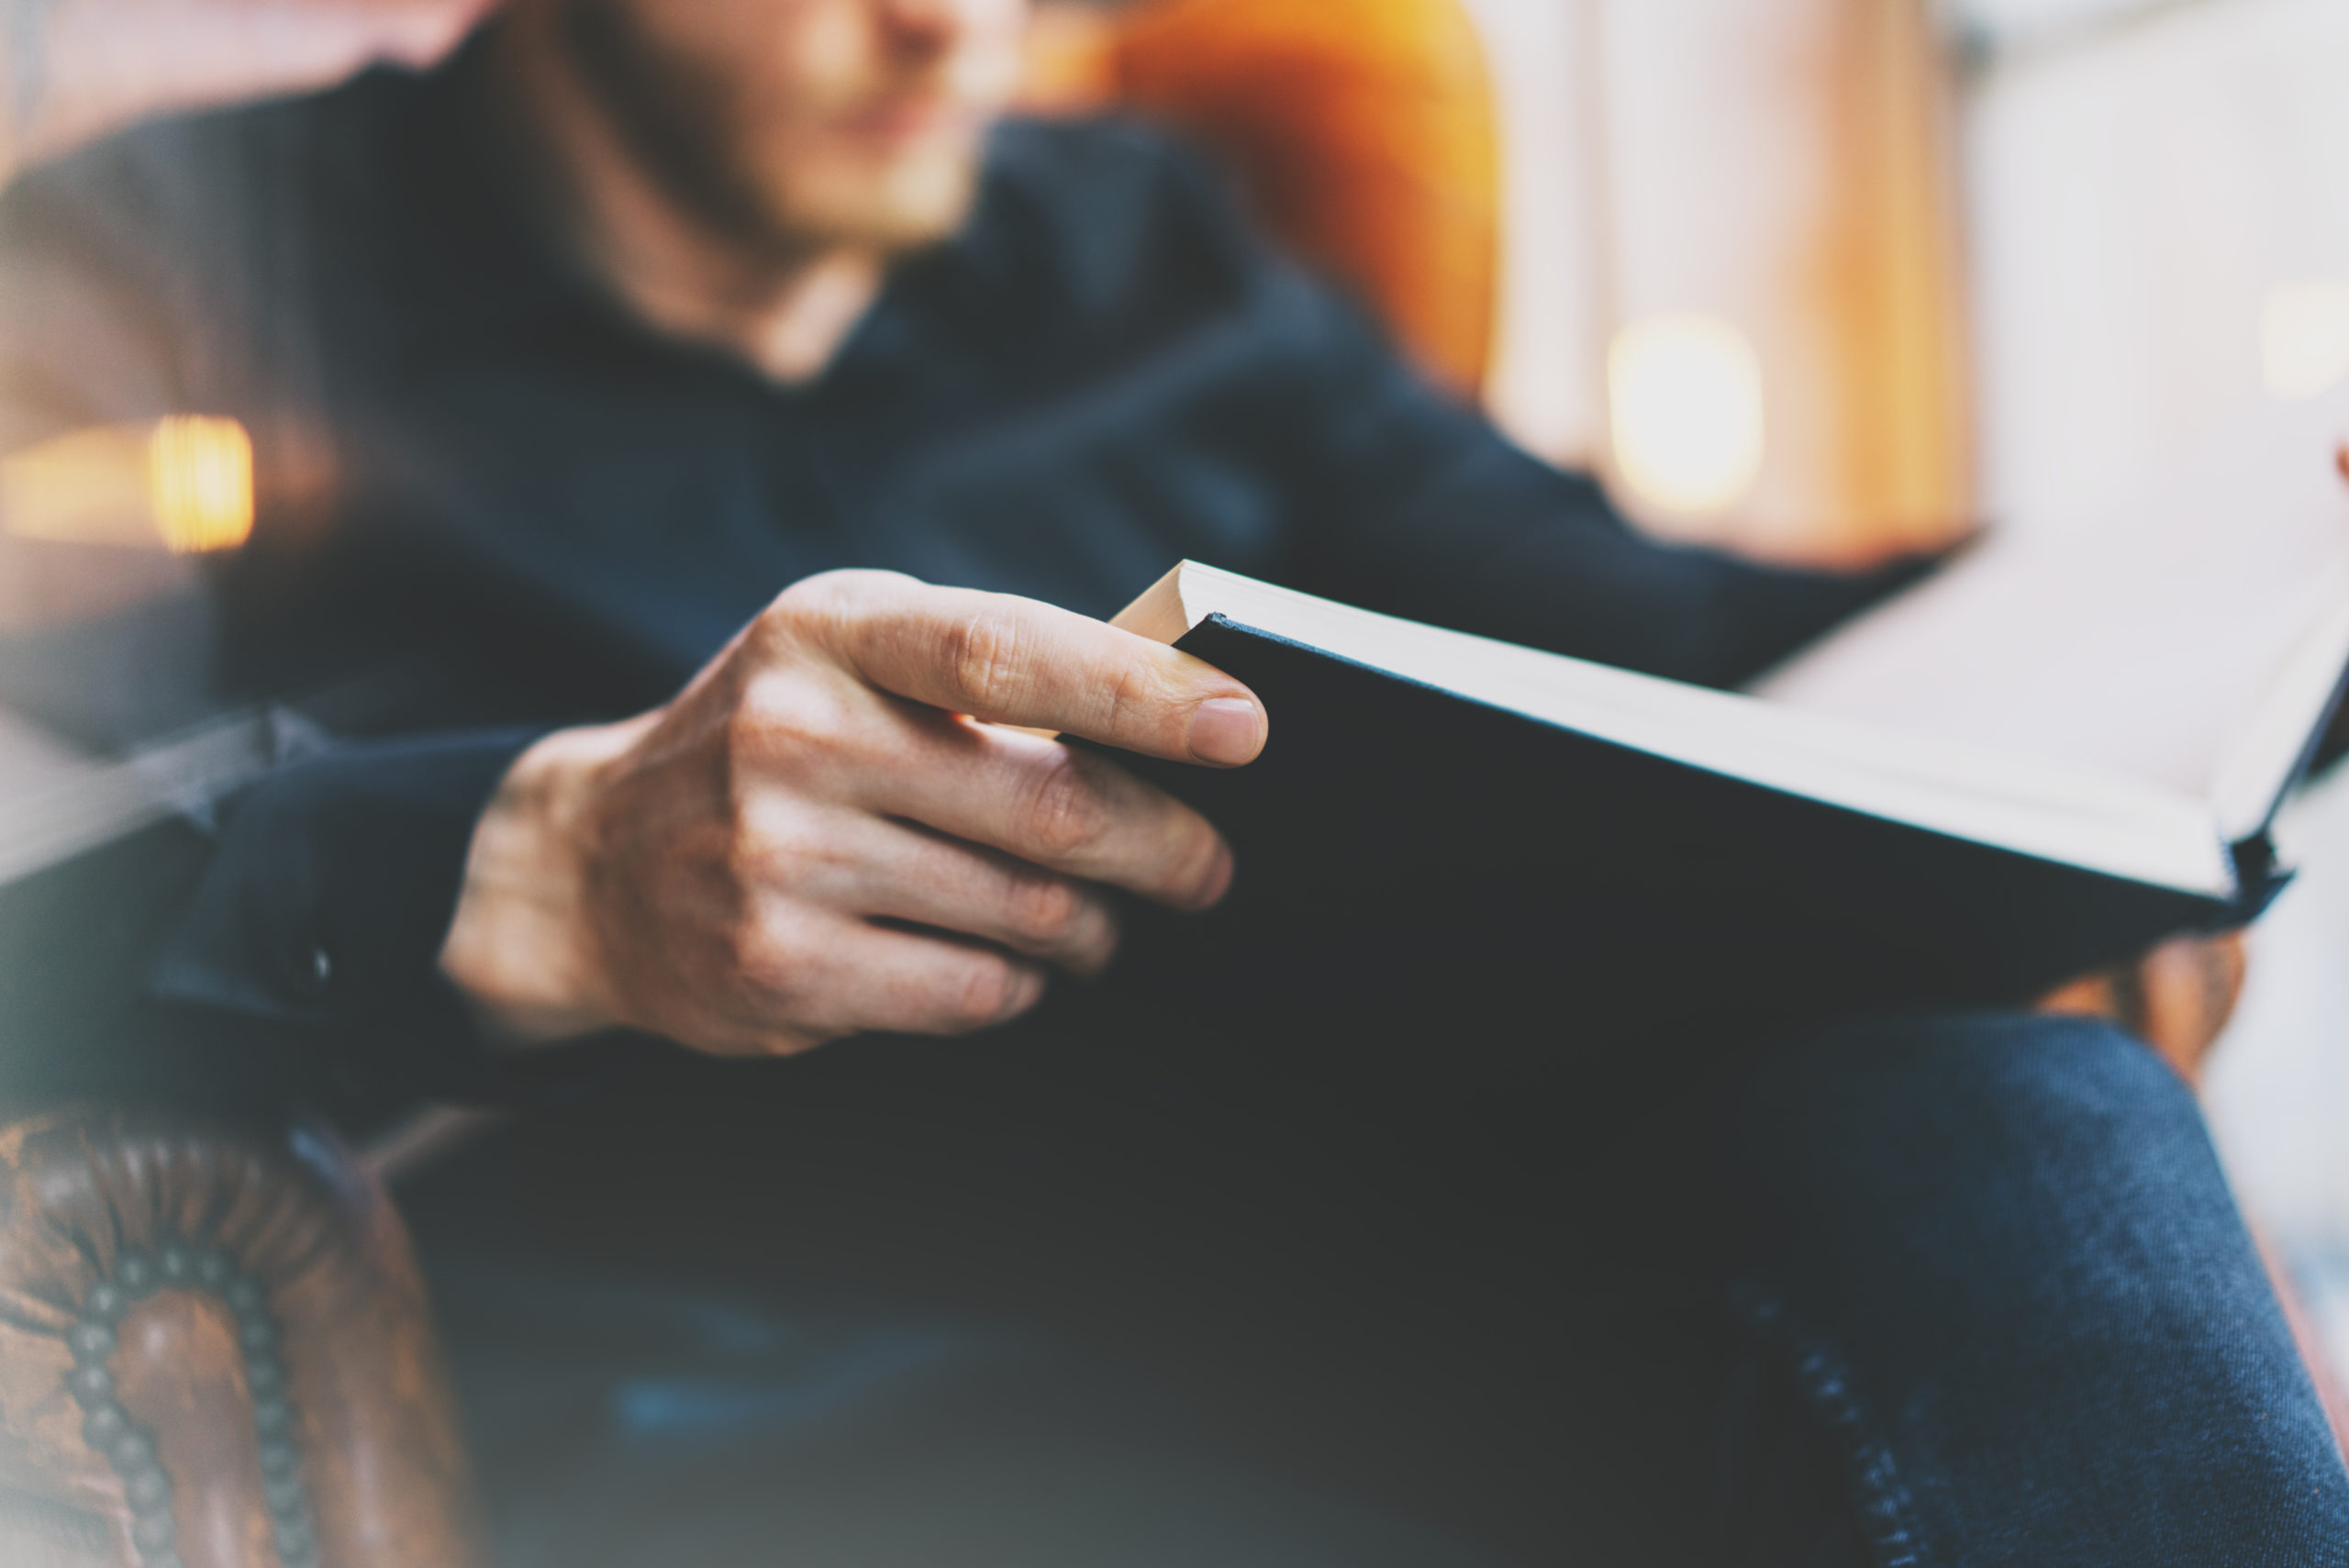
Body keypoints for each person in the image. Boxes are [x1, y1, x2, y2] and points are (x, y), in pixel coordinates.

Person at [0, 0, 2341, 1562]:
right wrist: (545, 864)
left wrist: (2171, 634)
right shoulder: (148, 280)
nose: (950, 25)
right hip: (743, 1411)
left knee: (2014, 1113)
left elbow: (1663, 634)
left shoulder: (1132, 246)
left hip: (1381, 1295)